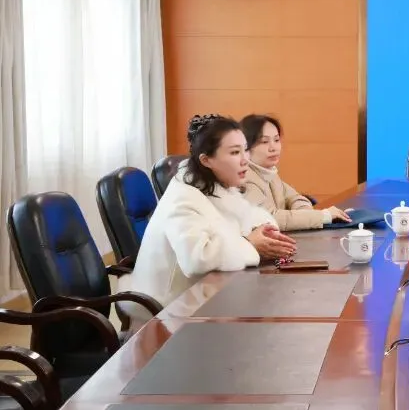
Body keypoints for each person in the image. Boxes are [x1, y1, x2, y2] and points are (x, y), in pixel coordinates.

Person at [118, 114, 298, 326]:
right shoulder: (182, 198)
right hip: (169, 316)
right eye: (234, 152)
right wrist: (250, 243)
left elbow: (250, 216)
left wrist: (263, 230)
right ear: (206, 160)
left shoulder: (215, 185)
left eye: (245, 150)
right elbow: (197, 259)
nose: (245, 160)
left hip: (207, 300)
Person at [240, 114, 350, 231]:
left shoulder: (268, 172)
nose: (273, 147)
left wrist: (307, 217)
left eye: (276, 140)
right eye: (264, 142)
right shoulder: (244, 179)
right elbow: (270, 218)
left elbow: (295, 198)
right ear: (246, 147)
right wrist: (323, 216)